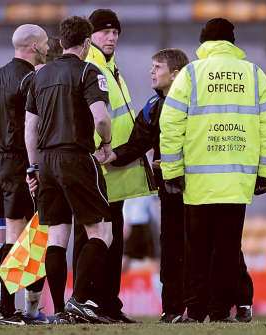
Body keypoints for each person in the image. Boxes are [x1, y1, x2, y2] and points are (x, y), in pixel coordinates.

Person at [159, 18, 266, 322]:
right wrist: (265, 171)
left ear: (204, 42)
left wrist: (171, 171)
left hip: (198, 181)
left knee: (197, 249)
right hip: (236, 181)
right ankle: (219, 311)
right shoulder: (254, 75)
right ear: (232, 41)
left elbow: (171, 125)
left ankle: (195, 310)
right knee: (227, 250)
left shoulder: (190, 74)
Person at [24, 15, 113, 324]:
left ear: (61, 43)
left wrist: (33, 166)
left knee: (57, 236)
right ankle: (79, 300)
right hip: (75, 156)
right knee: (101, 230)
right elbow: (100, 117)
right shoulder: (90, 71)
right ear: (87, 43)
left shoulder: (40, 75)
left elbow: (29, 127)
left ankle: (60, 309)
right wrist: (107, 142)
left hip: (45, 162)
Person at [73, 9, 155, 323]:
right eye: (105, 32)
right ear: (90, 36)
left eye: (116, 32)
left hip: (115, 166)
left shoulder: (110, 66)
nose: (112, 37)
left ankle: (108, 303)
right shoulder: (90, 66)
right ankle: (87, 301)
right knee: (91, 238)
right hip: (98, 165)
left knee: (113, 238)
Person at [99, 48, 189, 323]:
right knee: (171, 248)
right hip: (171, 190)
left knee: (204, 245)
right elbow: (139, 143)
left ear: (175, 74)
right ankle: (172, 309)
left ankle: (216, 305)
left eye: (157, 67)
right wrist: (113, 155)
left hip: (201, 188)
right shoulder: (152, 106)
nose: (151, 71)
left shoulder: (195, 105)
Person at [0, 23, 49, 325]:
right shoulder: (31, 78)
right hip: (18, 161)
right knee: (21, 237)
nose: (47, 46)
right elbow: (35, 125)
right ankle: (6, 309)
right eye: (44, 42)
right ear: (34, 47)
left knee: (7, 231)